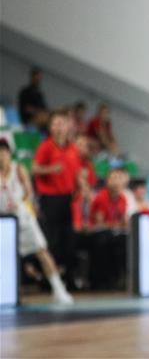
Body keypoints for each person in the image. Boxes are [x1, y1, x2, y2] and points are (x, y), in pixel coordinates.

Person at [0, 139, 74, 304]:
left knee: (42, 252)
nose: (1, 156)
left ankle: (59, 289)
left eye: (3, 152)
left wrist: (19, 203)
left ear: (9, 154)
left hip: (23, 218)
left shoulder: (18, 169)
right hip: (4, 222)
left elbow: (29, 192)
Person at [32, 110, 80, 283]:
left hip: (68, 199)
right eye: (55, 124)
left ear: (68, 126)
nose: (59, 127)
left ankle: (68, 277)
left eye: (62, 123)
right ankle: (49, 279)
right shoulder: (46, 146)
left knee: (69, 239)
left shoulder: (73, 148)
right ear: (50, 127)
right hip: (50, 199)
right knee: (52, 240)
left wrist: (82, 186)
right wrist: (51, 169)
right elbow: (34, 168)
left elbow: (76, 172)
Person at [89, 167, 129, 289]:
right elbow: (100, 223)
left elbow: (122, 220)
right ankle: (103, 280)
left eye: (119, 178)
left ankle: (123, 278)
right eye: (113, 178)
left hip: (114, 231)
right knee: (104, 239)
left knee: (125, 240)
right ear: (107, 181)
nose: (116, 182)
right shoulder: (101, 197)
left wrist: (123, 223)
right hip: (97, 232)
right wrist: (117, 224)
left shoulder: (122, 198)